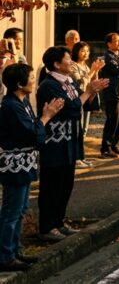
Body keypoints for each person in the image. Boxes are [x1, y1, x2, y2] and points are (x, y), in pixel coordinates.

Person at [36, 46, 109, 242]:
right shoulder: (49, 85)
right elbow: (71, 109)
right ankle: (47, 227)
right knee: (52, 186)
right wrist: (87, 92)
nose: (71, 61)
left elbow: (85, 105)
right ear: (56, 64)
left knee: (65, 185)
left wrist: (93, 91)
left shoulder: (69, 81)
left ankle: (59, 222)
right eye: (67, 58)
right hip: (54, 143)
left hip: (69, 141)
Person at [0, 64, 63, 271]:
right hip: (15, 166)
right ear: (19, 84)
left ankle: (15, 250)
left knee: (20, 210)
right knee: (12, 210)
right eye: (30, 77)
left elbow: (37, 133)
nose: (34, 80)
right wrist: (46, 116)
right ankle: (5, 255)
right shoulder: (11, 105)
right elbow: (34, 133)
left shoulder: (22, 101)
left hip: (24, 164)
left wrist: (41, 123)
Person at [68, 43, 104, 169]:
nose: (86, 53)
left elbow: (93, 81)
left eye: (87, 51)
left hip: (87, 99)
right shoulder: (72, 66)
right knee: (77, 130)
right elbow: (79, 82)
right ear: (76, 51)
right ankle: (76, 158)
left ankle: (81, 157)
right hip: (77, 98)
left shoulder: (85, 66)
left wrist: (96, 71)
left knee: (83, 130)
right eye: (82, 51)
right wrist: (93, 71)